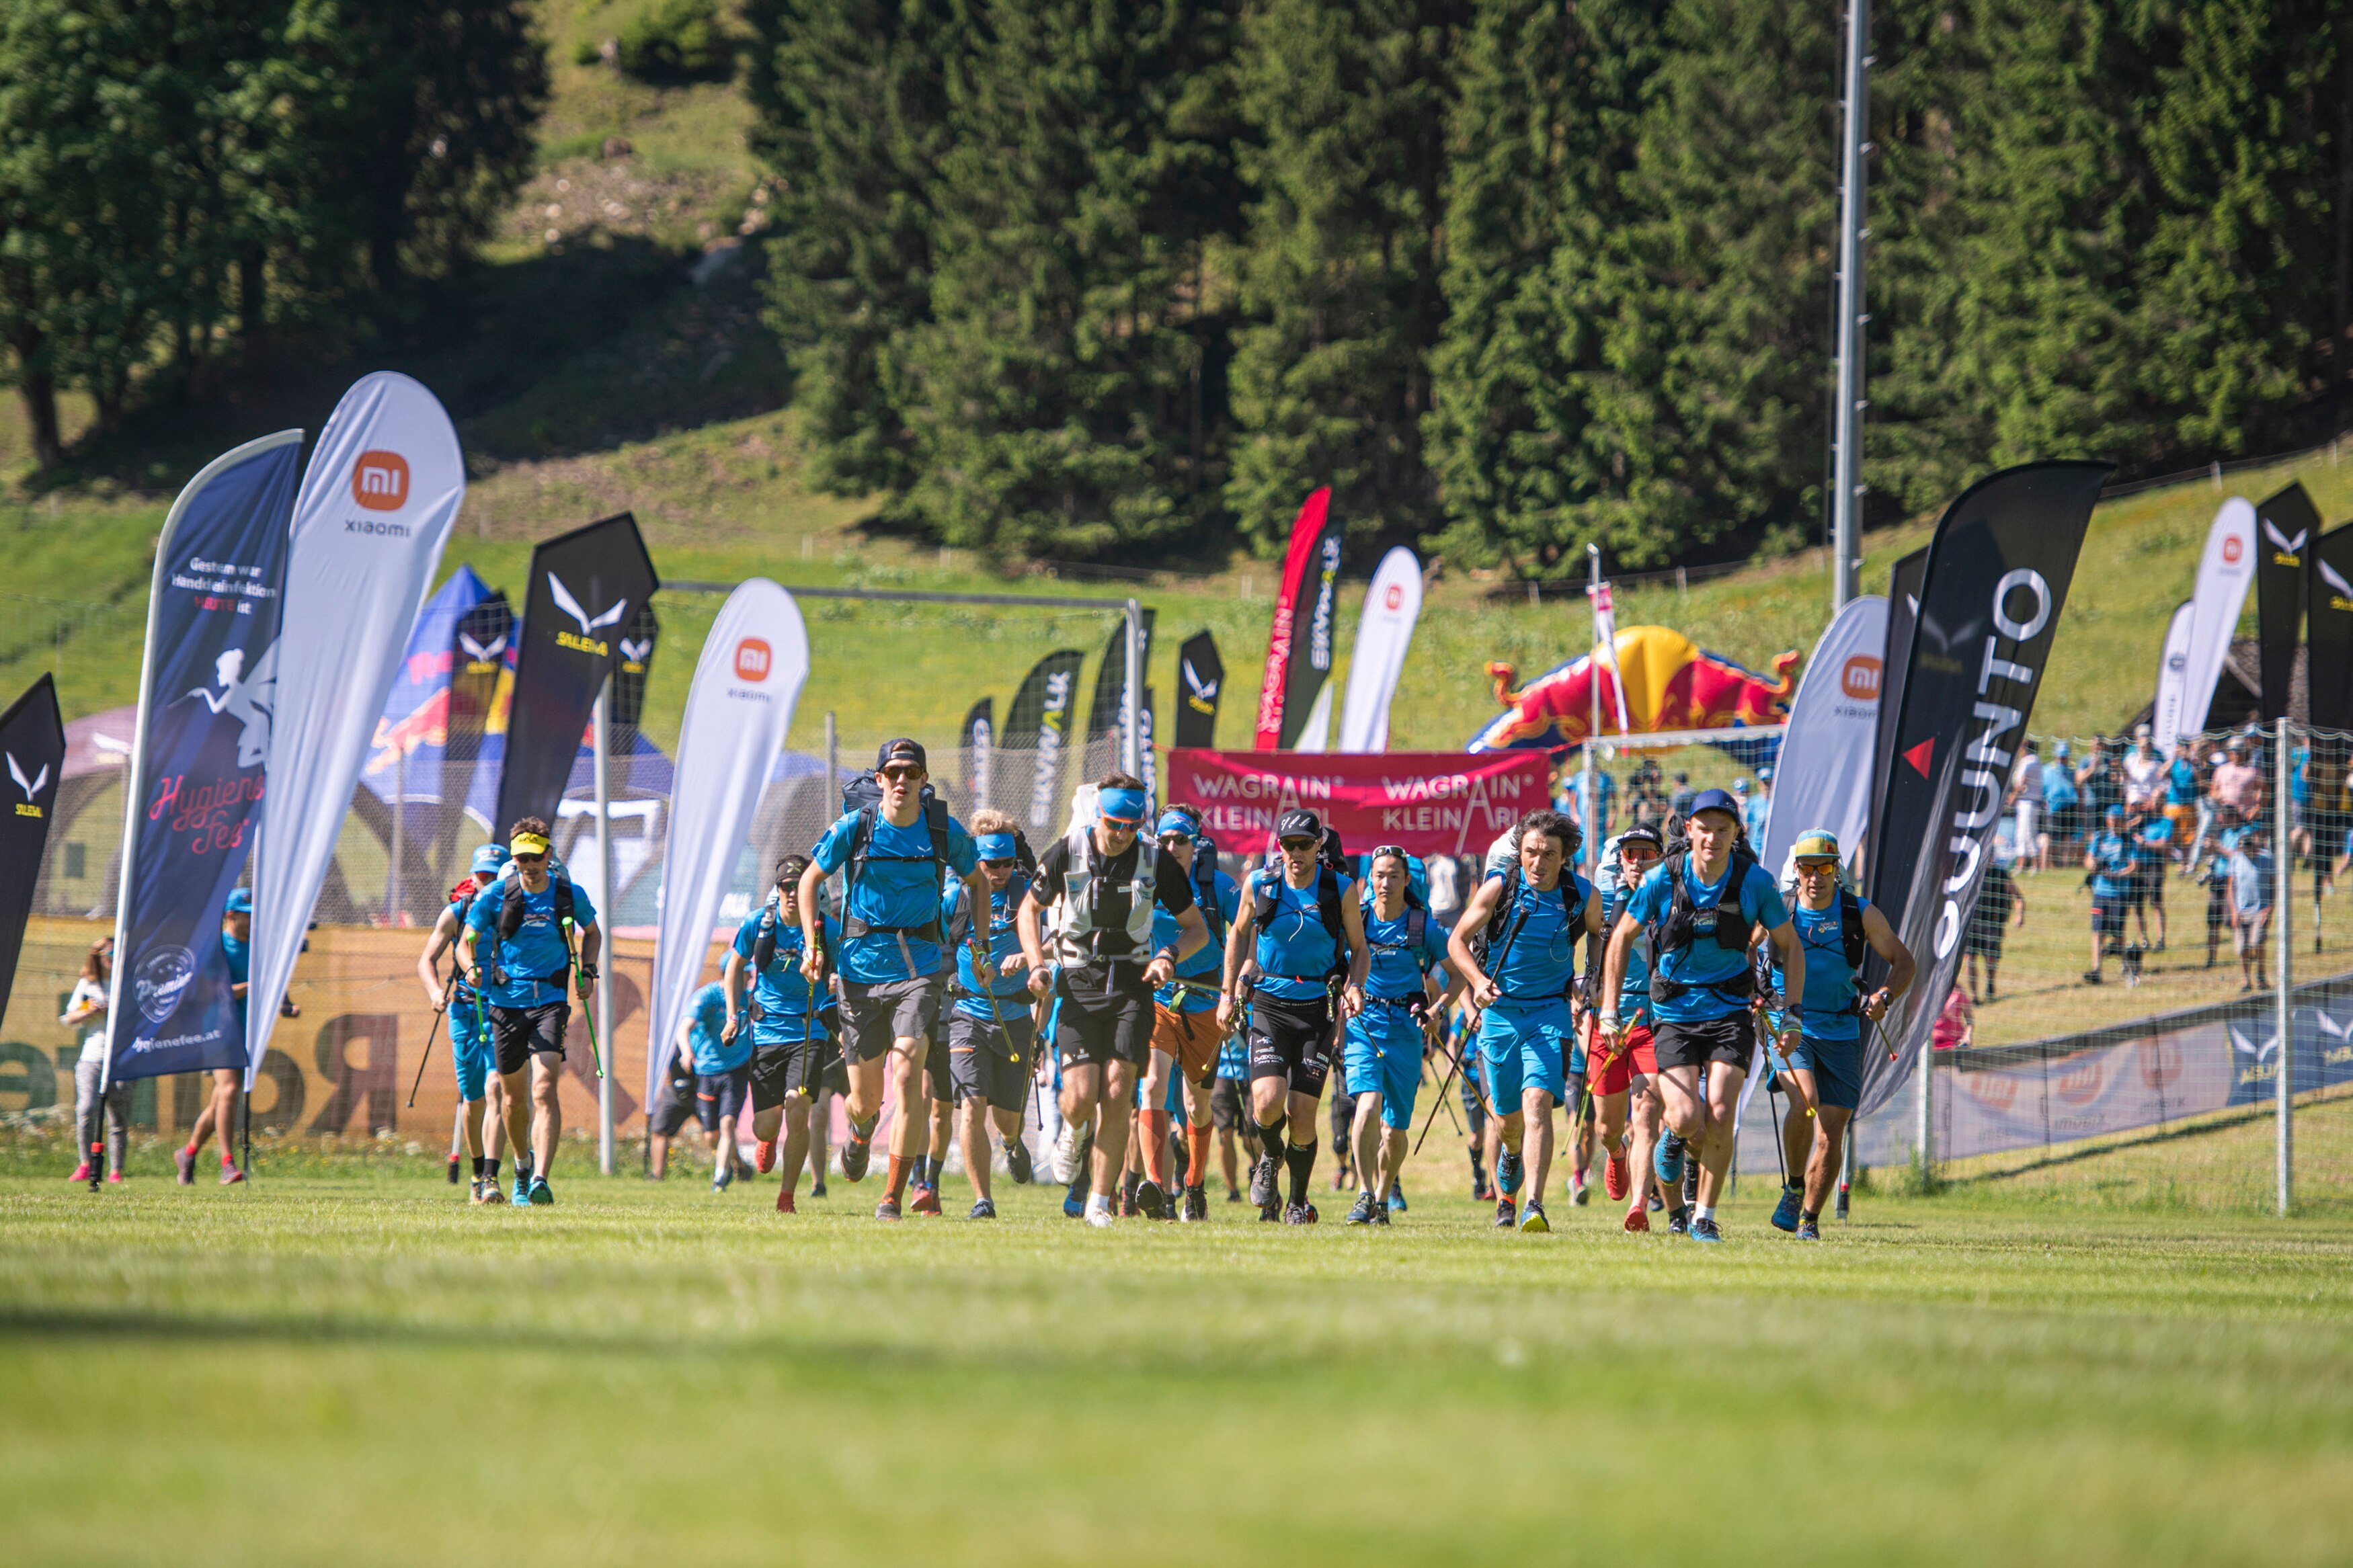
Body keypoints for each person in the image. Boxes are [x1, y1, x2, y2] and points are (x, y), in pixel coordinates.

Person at [798, 739, 990, 1222]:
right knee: (864, 1101)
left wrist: (980, 945)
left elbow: (980, 882)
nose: (901, 779)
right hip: (860, 971)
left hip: (920, 969)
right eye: (893, 771)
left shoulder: (941, 830)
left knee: (907, 1070)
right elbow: (809, 881)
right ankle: (861, 1133)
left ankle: (893, 1196)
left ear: (923, 780)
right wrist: (811, 945)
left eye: (911, 771)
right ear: (880, 779)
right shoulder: (857, 827)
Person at [1601, 788, 1801, 1244]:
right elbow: (1619, 939)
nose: (1712, 837)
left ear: (1736, 833)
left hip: (1730, 1010)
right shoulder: (1661, 880)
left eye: (1723, 829)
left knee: (1721, 1111)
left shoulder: (1756, 882)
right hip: (1673, 1012)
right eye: (1704, 828)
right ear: (1689, 830)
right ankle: (1674, 1140)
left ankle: (1704, 1216)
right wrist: (1609, 1012)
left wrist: (1792, 1013)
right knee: (1688, 1116)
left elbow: (1790, 945)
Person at [1018, 773, 1211, 1227]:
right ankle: (1075, 1131)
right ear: (1098, 816)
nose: (1123, 834)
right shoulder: (1069, 851)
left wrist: (1168, 955)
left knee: (1119, 1091)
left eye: (1132, 824)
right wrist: (1034, 965)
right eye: (1114, 823)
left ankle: (1100, 1203)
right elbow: (1029, 909)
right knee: (1082, 1096)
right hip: (1079, 983)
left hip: (1132, 985)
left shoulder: (1155, 861)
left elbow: (1196, 928)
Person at [1445, 809, 1603, 1233]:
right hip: (1498, 1016)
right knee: (1509, 1123)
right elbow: (1456, 940)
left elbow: (1598, 934)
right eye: (1531, 852)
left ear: (1564, 856)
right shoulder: (1500, 887)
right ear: (1520, 852)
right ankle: (1507, 1183)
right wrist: (1477, 982)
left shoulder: (1582, 895)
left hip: (1550, 1013)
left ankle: (1533, 1204)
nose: (1538, 862)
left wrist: (1589, 978)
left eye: (1548, 854)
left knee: (1538, 1106)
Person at [1218, 807, 1369, 1225]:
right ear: (1279, 848)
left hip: (1316, 1009)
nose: (1296, 852)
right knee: (1266, 1104)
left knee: (1302, 1117)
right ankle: (1270, 1154)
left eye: (1305, 844)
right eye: (1288, 845)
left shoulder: (1340, 888)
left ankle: (1297, 1202)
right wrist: (1229, 994)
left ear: (1319, 845)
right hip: (1268, 1005)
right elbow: (1238, 934)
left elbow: (1359, 949)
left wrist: (1354, 986)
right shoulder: (1261, 884)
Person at [1763, 830, 1914, 1241]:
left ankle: (1809, 1221)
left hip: (1844, 1030)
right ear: (1796, 870)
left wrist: (1884, 995)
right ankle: (1795, 1186)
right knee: (1806, 1100)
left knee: (1831, 1135)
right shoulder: (1779, 910)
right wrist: (1754, 994)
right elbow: (1742, 953)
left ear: (1837, 869)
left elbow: (1904, 962)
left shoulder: (1860, 913)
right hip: (1792, 1026)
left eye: (1824, 868)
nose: (1816, 877)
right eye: (1808, 868)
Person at [459, 819, 600, 1206]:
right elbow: (464, 942)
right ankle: (521, 1166)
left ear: (548, 855)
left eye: (536, 857)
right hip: (506, 1004)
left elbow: (594, 933)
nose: (529, 864)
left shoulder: (568, 893)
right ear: (515, 858)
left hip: (550, 1001)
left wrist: (588, 970)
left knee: (544, 1086)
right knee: (511, 1100)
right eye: (522, 858)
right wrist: (470, 968)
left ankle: (540, 1179)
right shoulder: (496, 896)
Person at [1341, 847, 1460, 1225]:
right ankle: (1363, 1191)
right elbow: (1334, 963)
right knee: (1368, 1105)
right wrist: (1347, 990)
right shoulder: (1357, 920)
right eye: (1379, 875)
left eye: (1394, 876)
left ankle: (1381, 1196)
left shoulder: (1421, 926)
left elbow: (1456, 975)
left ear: (1407, 881)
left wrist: (1437, 1010)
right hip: (1363, 1026)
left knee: (1395, 1129)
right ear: (1368, 880)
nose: (1385, 883)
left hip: (1407, 1032)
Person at [729, 855, 844, 1214]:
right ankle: (766, 1141)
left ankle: (787, 1197)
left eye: (799, 886)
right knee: (766, 1126)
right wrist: (733, 1016)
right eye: (786, 887)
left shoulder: (827, 929)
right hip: (766, 1031)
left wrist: (837, 989)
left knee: (798, 1109)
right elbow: (734, 967)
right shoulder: (758, 924)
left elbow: (846, 972)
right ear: (777, 891)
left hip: (809, 1032)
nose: (793, 893)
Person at [941, 813, 1039, 1220]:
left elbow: (1065, 938)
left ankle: (1013, 1144)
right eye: (990, 865)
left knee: (1008, 1121)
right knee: (971, 1105)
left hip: (1016, 1016)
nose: (999, 873)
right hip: (968, 1013)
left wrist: (1032, 959)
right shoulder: (956, 895)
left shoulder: (1029, 893)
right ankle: (983, 1200)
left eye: (1006, 864)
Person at [1146, 810, 1240, 1222]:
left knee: (1197, 1108)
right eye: (1164, 839)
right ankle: (1155, 1187)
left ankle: (1195, 1186)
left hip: (1205, 1004)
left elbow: (1248, 936)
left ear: (1195, 842)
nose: (1171, 848)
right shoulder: (1144, 884)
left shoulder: (1219, 887)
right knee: (1151, 1086)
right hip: (1159, 999)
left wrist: (1235, 990)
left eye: (1180, 840)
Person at [1585, 825, 1679, 1233]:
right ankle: (1616, 1153)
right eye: (1630, 854)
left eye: (1647, 853)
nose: (1638, 861)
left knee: (1647, 1111)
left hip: (1653, 1018)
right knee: (1607, 1128)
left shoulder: (1675, 899)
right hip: (1607, 1020)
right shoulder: (1599, 900)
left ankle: (1638, 1204)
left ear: (1661, 857)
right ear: (1619, 859)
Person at [177, 888, 299, 1186]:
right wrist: (255, 985)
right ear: (230, 916)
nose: (252, 921)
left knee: (220, 1099)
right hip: (218, 1028)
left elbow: (274, 984)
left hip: (248, 1032)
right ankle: (227, 1164)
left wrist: (285, 1004)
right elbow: (212, 994)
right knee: (230, 1091)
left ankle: (188, 1152)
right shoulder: (215, 947)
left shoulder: (260, 947)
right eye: (247, 916)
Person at [417, 843, 510, 1204]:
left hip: (504, 1009)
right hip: (465, 1012)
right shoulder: (458, 911)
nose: (486, 884)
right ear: (473, 875)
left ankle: (491, 1177)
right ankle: (476, 1172)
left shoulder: (515, 913)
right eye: (481, 875)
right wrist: (435, 992)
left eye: (494, 877)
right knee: (473, 1099)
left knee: (496, 1089)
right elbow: (427, 959)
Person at [671, 980, 748, 1190]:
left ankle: (719, 1177)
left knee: (728, 1124)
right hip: (706, 1071)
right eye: (745, 973)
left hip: (736, 1069)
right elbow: (684, 1028)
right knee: (711, 1135)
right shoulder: (706, 996)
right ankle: (738, 1164)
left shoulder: (749, 995)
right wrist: (686, 1052)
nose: (748, 977)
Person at [67, 938, 124, 1184]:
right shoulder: (88, 985)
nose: (111, 956)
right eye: (107, 951)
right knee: (87, 1108)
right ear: (97, 955)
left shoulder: (126, 983)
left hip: (121, 1060)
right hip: (92, 1058)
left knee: (119, 1117)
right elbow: (70, 1017)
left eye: (116, 951)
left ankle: (116, 1171)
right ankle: (84, 1163)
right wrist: (90, 1010)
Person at [2082, 804, 2135, 985]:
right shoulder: (2100, 837)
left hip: (2119, 893)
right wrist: (2094, 866)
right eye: (2111, 820)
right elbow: (2088, 860)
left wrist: (2117, 875)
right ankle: (2097, 970)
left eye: (2117, 820)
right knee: (2098, 931)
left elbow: (2134, 867)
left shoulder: (2129, 840)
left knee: (2118, 933)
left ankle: (2126, 966)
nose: (2114, 824)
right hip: (2100, 892)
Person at [1963, 856, 2025, 1000]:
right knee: (1970, 959)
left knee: (1991, 959)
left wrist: (2020, 915)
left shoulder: (2000, 874)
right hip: (1973, 923)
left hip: (1993, 923)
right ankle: (1974, 997)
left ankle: (1990, 983)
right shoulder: (1971, 873)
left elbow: (2018, 897)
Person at [2228, 825, 2274, 991]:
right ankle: (2246, 981)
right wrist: (2234, 912)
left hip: (2260, 911)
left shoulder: (2267, 859)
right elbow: (2231, 887)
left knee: (2258, 943)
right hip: (2241, 912)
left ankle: (2261, 977)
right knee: (2242, 948)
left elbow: (2273, 885)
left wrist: (2270, 909)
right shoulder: (2236, 860)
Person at [2131, 801, 2173, 949]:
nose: (2152, 806)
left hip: (2155, 865)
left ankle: (2161, 940)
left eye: (2156, 802)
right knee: (2138, 905)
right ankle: (2144, 940)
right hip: (2137, 866)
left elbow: (2164, 845)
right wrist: (2136, 819)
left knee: (2156, 903)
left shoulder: (2166, 822)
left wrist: (2145, 844)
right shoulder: (2141, 821)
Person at [2040, 739, 2080, 867]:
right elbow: (2043, 790)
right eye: (2060, 757)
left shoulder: (2072, 770)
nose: (2062, 760)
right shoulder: (2047, 770)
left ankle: (2065, 865)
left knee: (2067, 838)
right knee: (2049, 836)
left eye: (2064, 757)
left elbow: (2078, 786)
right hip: (2054, 808)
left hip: (2069, 806)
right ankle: (2044, 865)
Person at [2009, 742, 2043, 872]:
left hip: (2027, 802)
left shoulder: (2028, 762)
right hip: (2031, 801)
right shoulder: (2037, 762)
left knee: (2026, 833)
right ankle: (2023, 865)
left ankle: (2033, 864)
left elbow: (2021, 782)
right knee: (2025, 833)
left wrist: (2013, 795)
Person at [2123, 724, 2165, 811]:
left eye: (2147, 742)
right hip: (2131, 801)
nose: (2144, 747)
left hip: (2148, 803)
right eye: (2140, 738)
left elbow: (2163, 782)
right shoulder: (2130, 757)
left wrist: (2155, 795)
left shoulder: (2157, 759)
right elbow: (2125, 778)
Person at [1740, 773, 1771, 845]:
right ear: (1760, 784)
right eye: (1765, 783)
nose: (1767, 786)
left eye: (1769, 783)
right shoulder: (1752, 802)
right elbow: (1746, 825)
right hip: (1755, 845)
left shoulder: (1776, 802)